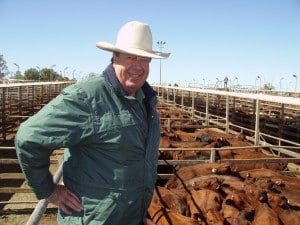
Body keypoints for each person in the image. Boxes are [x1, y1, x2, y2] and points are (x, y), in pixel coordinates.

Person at [15, 20, 170, 225]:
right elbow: (28, 138)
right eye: (130, 57)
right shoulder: (88, 97)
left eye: (144, 59)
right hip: (93, 219)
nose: (138, 66)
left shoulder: (145, 100)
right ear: (115, 57)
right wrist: (48, 190)